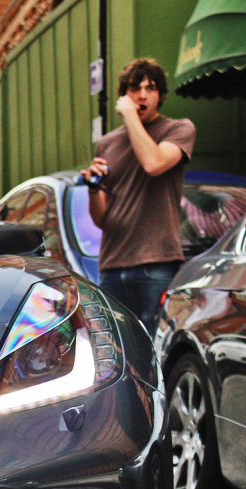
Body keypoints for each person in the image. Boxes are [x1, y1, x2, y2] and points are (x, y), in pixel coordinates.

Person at [80, 57, 195, 333]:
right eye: (134, 88)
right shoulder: (108, 143)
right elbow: (101, 220)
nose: (142, 95)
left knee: (155, 349)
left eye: (151, 88)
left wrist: (130, 115)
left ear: (161, 95)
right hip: (111, 265)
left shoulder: (178, 129)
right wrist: (93, 189)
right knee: (117, 353)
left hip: (155, 265)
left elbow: (153, 164)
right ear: (124, 93)